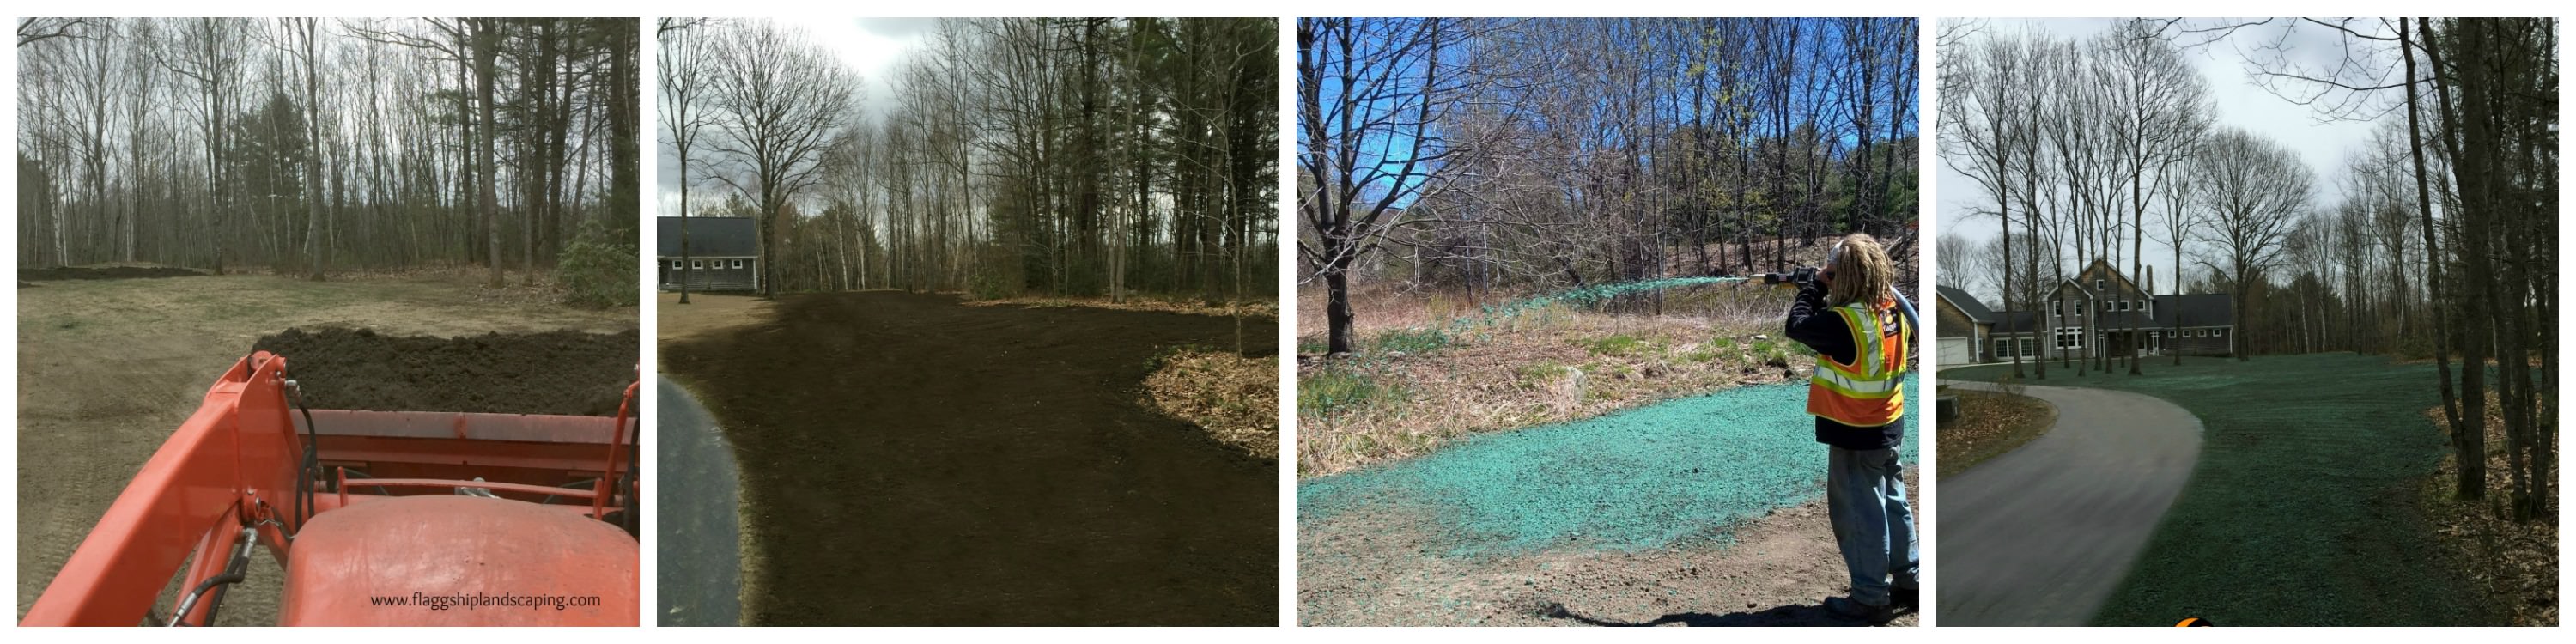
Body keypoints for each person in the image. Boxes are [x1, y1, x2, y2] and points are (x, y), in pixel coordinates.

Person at [1782, 233, 1919, 624]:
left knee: (1860, 515)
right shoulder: (1893, 309)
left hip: (1853, 433)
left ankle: (1871, 597)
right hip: (1887, 426)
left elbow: (1798, 326)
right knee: (1894, 502)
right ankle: (1910, 579)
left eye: (1832, 272)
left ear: (1842, 276)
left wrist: (1813, 289)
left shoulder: (1844, 322)